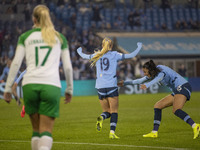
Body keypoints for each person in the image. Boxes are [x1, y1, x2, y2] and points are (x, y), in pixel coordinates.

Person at [4, 5, 73, 150]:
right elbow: (67, 67)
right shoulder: (60, 38)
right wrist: (70, 89)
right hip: (51, 85)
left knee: (36, 131)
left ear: (34, 19)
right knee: (46, 131)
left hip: (30, 85)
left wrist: (8, 88)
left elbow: (16, 63)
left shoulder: (25, 37)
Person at [77, 37, 142, 139]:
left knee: (107, 111)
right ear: (111, 46)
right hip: (111, 86)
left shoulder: (96, 55)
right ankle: (112, 133)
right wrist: (139, 47)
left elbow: (84, 56)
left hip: (100, 87)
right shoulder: (115, 55)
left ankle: (101, 117)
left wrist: (79, 51)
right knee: (114, 111)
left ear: (102, 46)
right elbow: (131, 55)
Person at [118, 60, 200, 139]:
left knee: (176, 110)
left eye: (145, 72)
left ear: (151, 70)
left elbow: (159, 78)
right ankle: (154, 133)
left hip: (183, 86)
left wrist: (148, 85)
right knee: (158, 106)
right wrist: (125, 83)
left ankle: (195, 126)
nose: (144, 74)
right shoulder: (153, 73)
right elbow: (140, 80)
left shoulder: (161, 70)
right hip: (177, 90)